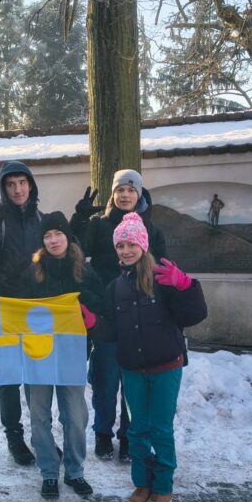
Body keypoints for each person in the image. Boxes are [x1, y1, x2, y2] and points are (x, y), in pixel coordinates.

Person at [98, 212, 207, 502]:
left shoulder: (163, 278)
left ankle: (163, 487)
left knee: (160, 429)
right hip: (132, 369)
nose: (126, 250)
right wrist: (93, 322)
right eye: (120, 245)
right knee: (137, 430)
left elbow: (195, 315)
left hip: (165, 367)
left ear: (143, 245)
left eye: (131, 244)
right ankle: (142, 484)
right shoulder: (115, 287)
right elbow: (111, 331)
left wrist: (185, 286)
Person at [70, 169, 167, 463]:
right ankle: (102, 433)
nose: (125, 195)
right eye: (120, 190)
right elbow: (76, 249)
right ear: (113, 194)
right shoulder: (99, 225)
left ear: (139, 194)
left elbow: (162, 269)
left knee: (134, 382)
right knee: (106, 378)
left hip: (139, 317)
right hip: (106, 314)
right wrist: (80, 219)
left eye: (131, 189)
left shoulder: (151, 230)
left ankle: (128, 435)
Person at [21, 212, 104, 499]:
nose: (53, 240)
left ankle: (75, 471)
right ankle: (48, 472)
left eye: (58, 234)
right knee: (39, 416)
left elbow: (99, 306)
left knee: (75, 416)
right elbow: (18, 310)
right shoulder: (32, 272)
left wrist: (86, 309)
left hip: (72, 354)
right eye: (47, 236)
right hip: (38, 355)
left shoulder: (85, 271)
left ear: (68, 237)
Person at [0, 160, 45, 466]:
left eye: (22, 183)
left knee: (37, 376)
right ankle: (14, 436)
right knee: (10, 376)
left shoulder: (41, 219)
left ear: (30, 185)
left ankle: (41, 435)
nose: (17, 189)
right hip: (4, 307)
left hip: (35, 309)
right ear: (4, 188)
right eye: (10, 184)